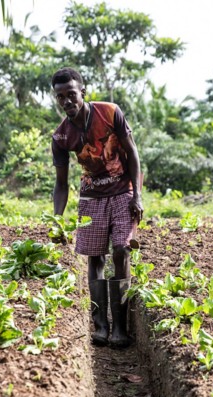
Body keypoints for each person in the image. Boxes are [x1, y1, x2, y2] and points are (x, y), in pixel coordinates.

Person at [50, 67, 143, 348]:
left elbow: (133, 153)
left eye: (71, 94)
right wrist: (57, 220)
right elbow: (61, 184)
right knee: (94, 257)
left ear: (83, 93)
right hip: (91, 196)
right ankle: (101, 326)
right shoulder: (61, 137)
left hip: (122, 189)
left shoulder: (110, 112)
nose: (67, 101)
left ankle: (121, 328)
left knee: (121, 250)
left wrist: (137, 194)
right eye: (60, 97)